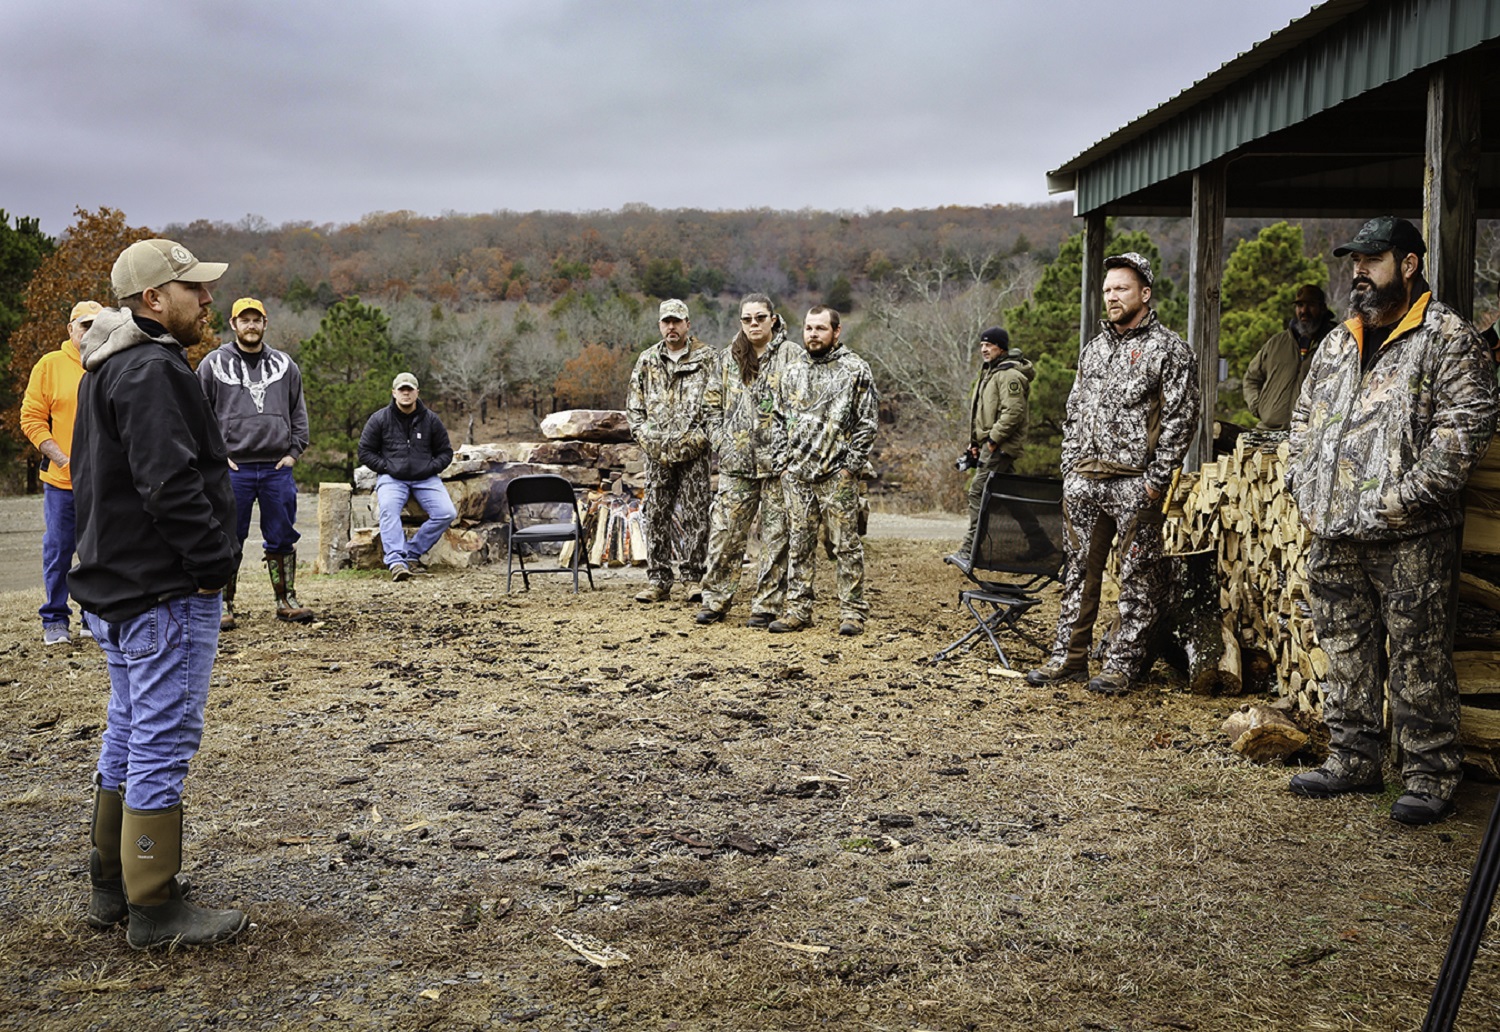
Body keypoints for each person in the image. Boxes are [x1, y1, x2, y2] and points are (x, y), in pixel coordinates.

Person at [1287, 215, 1498, 826]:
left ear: (1408, 264)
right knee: (1345, 645)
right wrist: (1304, 484)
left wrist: (1400, 500)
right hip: (1333, 529)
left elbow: (1464, 432)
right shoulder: (1338, 339)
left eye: (1372, 261)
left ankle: (1431, 774)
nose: (1358, 272)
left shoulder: (1447, 337)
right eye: (1354, 261)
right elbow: (1304, 419)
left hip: (1408, 535)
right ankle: (1353, 758)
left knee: (1418, 655)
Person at [71, 238, 247, 948]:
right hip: (162, 590)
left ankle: (110, 885)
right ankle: (154, 905)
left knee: (129, 728)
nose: (207, 300)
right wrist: (212, 566)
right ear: (153, 299)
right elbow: (168, 485)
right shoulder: (149, 371)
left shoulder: (108, 369)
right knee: (162, 738)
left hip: (120, 589)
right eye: (193, 289)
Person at [1025, 252, 1200, 695]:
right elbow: (1074, 411)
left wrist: (1155, 482)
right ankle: (1069, 658)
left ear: (1145, 293)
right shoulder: (1095, 349)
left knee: (1138, 579)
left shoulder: (1170, 350)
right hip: (1085, 481)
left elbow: (1182, 420)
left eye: (1121, 288)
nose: (1112, 297)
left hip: (1134, 484)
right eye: (1107, 290)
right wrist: (1070, 470)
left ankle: (1123, 664)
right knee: (1078, 574)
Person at [198, 297, 313, 628]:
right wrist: (215, 456)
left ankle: (285, 598)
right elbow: (198, 414)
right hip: (234, 468)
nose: (251, 325)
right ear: (233, 324)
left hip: (277, 466)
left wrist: (293, 452)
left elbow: (298, 411)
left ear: (265, 323)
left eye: (256, 319)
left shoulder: (284, 364)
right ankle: (223, 602)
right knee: (227, 535)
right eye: (244, 320)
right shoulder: (212, 364)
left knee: (282, 534)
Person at [770, 306, 877, 636]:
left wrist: (851, 468)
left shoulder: (855, 369)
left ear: (836, 331)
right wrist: (784, 466)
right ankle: (798, 609)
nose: (813, 334)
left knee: (846, 545)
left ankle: (852, 612)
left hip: (837, 474)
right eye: (808, 328)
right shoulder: (792, 371)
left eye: (820, 328)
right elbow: (777, 419)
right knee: (799, 544)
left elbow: (867, 422)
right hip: (797, 475)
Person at [696, 293, 801, 628]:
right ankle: (715, 600)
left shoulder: (792, 356)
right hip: (736, 463)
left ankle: (766, 604)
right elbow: (710, 406)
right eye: (747, 319)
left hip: (778, 465)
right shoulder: (728, 358)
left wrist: (791, 451)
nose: (753, 324)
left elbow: (803, 408)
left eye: (759, 318)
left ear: (773, 318)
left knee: (775, 536)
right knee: (725, 533)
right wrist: (721, 442)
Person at [20, 299, 99, 645]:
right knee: (59, 550)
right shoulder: (50, 365)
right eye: (85, 326)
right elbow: (31, 418)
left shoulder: (109, 363)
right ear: (71, 329)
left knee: (98, 551)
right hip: (62, 482)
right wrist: (61, 457)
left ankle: (93, 616)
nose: (92, 332)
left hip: (102, 482)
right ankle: (54, 618)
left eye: (98, 325)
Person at [626, 299, 712, 604]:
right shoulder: (647, 360)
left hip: (694, 452)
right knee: (656, 514)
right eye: (666, 322)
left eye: (677, 321)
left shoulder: (707, 359)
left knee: (696, 515)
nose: (671, 327)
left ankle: (693, 578)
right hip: (657, 454)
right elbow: (635, 410)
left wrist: (698, 439)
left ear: (688, 324)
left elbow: (717, 407)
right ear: (660, 325)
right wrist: (650, 442)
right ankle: (659, 580)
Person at [948, 326, 1036, 566]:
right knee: (1012, 497)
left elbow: (1013, 412)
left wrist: (993, 441)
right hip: (991, 444)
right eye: (982, 345)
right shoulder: (991, 372)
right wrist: (975, 443)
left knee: (979, 492)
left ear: (1002, 347)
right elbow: (984, 412)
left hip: (1001, 446)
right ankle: (1041, 544)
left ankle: (970, 550)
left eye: (989, 345)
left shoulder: (1009, 375)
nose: (984, 349)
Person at [358, 373, 457, 581]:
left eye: (410, 389)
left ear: (417, 393)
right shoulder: (380, 419)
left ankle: (411, 552)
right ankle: (396, 562)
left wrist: (431, 467)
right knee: (388, 509)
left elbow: (446, 452)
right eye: (401, 389)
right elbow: (365, 451)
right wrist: (386, 466)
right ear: (393, 392)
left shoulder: (430, 419)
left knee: (446, 512)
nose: (405, 392)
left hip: (426, 478)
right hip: (392, 478)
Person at [1242, 284, 1336, 430]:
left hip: (1309, 436)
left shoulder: (1335, 344)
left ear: (1323, 308)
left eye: (1311, 305)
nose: (1304, 311)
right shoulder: (1276, 343)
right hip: (1267, 432)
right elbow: (1251, 378)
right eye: (1300, 305)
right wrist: (1258, 406)